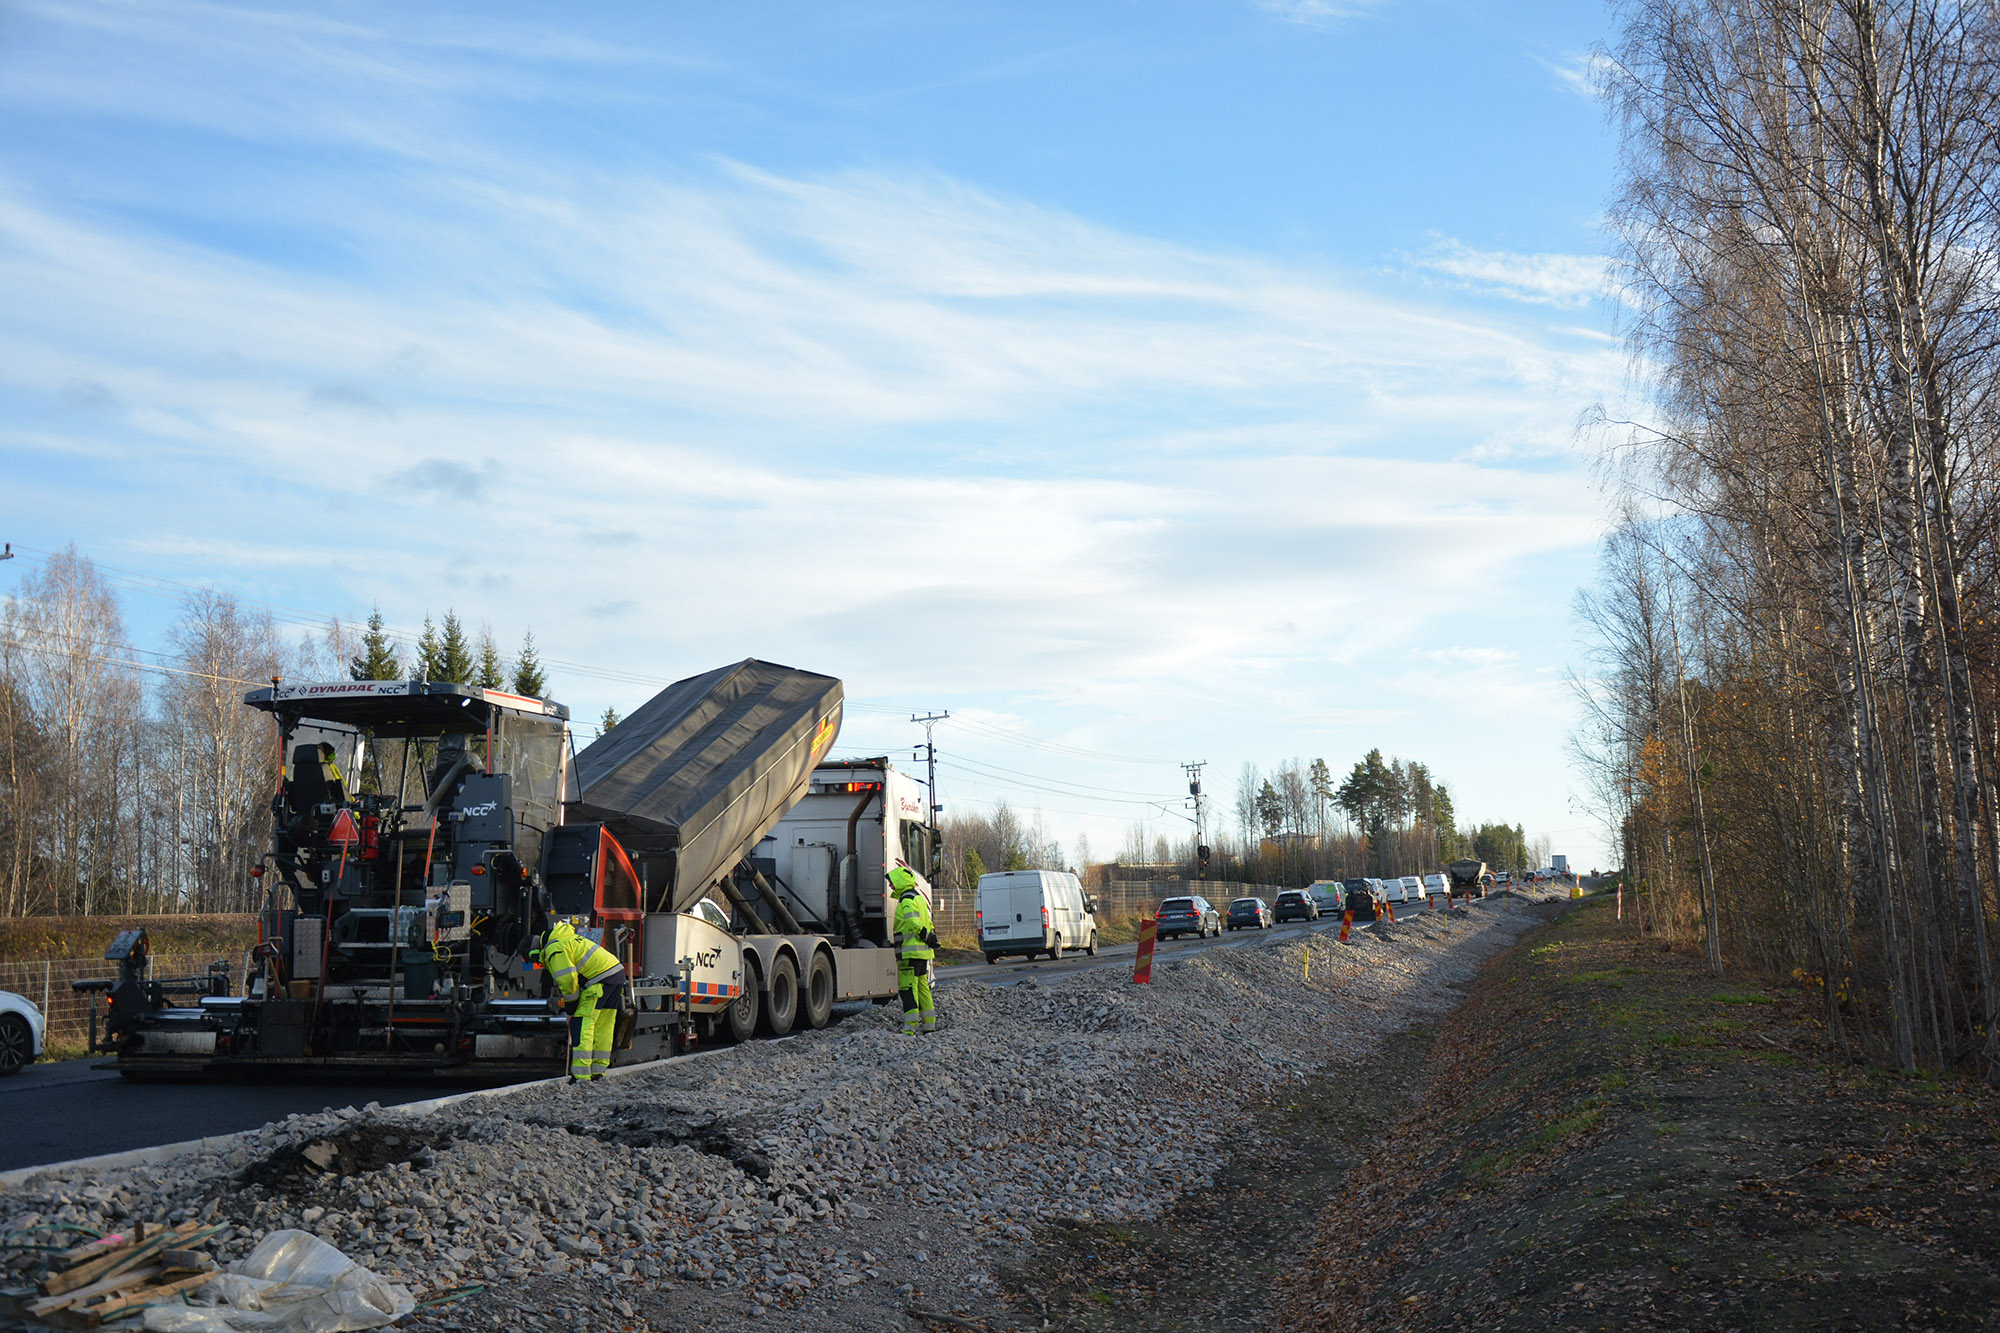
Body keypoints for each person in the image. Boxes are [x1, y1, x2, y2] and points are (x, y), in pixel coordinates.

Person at [534, 919, 627, 1081]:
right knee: (603, 1025)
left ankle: (581, 1076)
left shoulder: (554, 948)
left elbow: (568, 981)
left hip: (599, 980)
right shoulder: (566, 939)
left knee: (582, 1023)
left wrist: (571, 1008)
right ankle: (598, 1072)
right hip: (615, 974)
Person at [890, 865, 938, 1035]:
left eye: (892, 883)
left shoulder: (906, 900)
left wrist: (925, 935)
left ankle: (910, 1028)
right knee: (923, 988)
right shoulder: (919, 899)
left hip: (909, 954)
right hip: (922, 953)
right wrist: (931, 937)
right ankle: (929, 1025)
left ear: (900, 882)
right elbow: (928, 922)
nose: (891, 886)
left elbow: (912, 922)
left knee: (908, 989)